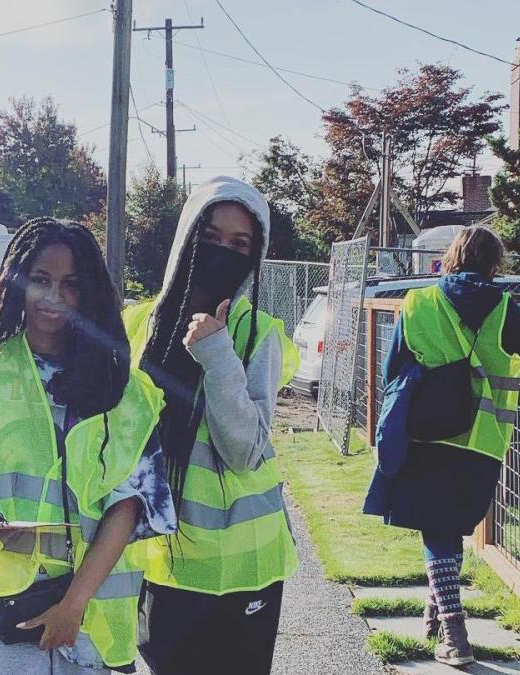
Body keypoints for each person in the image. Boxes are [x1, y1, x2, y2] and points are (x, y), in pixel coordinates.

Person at [0, 217, 177, 674]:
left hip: (96, 613)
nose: (54, 296)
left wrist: (73, 604)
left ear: (89, 292)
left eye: (71, 284)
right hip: (4, 603)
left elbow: (129, 504)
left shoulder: (122, 387)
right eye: (41, 280)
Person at [125, 176, 299, 675]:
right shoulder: (138, 325)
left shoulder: (257, 332)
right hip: (165, 561)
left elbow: (245, 449)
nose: (223, 252)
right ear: (186, 239)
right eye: (210, 237)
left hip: (245, 565)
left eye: (240, 244)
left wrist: (216, 353)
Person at [364, 226, 520, 666]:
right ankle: (438, 616)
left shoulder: (418, 304)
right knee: (449, 529)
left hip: (427, 434)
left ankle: (454, 633)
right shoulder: (504, 309)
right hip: (481, 441)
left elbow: (394, 371)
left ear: (451, 258)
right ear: (494, 265)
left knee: (439, 530)